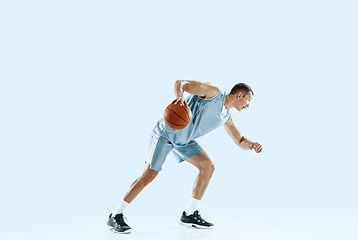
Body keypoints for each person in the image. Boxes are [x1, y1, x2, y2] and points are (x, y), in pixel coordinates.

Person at [106, 80, 263, 234]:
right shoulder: (212, 93)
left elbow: (240, 140)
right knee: (149, 175)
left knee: (208, 167)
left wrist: (251, 145)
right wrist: (180, 95)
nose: (248, 104)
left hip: (184, 141)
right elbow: (181, 83)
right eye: (248, 99)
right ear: (240, 95)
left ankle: (189, 214)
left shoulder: (227, 117)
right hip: (165, 134)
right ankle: (115, 215)